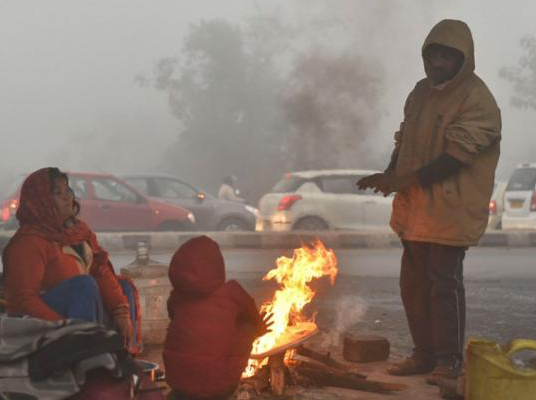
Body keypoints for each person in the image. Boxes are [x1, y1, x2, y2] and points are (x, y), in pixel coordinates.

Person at [357, 19, 501, 385]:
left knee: (443, 284)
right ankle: (423, 355)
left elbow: (455, 158)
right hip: (415, 209)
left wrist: (402, 180)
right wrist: (390, 175)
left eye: (445, 57)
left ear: (462, 60)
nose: (436, 63)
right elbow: (404, 141)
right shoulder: (420, 92)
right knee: (413, 285)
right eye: (431, 54)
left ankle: (448, 362)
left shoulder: (477, 99)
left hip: (452, 210)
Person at [1, 167, 139, 352]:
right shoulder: (28, 242)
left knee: (124, 289)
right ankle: (85, 355)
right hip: (43, 321)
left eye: (67, 190)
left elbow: (100, 270)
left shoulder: (79, 232)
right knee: (83, 285)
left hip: (83, 309)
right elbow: (23, 300)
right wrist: (64, 327)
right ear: (40, 202)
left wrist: (121, 312)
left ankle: (122, 356)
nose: (67, 197)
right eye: (57, 193)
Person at [163, 236, 270, 400]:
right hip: (217, 387)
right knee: (247, 326)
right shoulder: (233, 292)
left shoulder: (176, 297)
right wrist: (259, 330)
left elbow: (172, 315)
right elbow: (252, 318)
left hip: (177, 380)